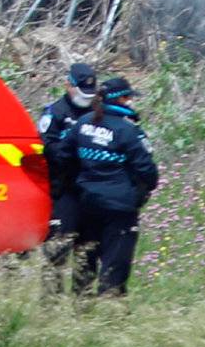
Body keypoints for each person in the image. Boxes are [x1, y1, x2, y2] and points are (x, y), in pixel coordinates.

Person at [48, 73, 159, 300]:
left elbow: (61, 155)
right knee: (115, 265)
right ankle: (110, 314)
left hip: (87, 204)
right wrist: (139, 195)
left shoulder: (83, 123)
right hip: (119, 210)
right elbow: (148, 172)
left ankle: (82, 309)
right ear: (121, 100)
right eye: (128, 98)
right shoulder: (129, 131)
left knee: (85, 261)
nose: (131, 102)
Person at [37, 61, 98, 265]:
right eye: (82, 91)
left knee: (88, 249)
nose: (86, 98)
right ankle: (53, 296)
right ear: (68, 85)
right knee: (58, 249)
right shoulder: (55, 113)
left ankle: (84, 295)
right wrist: (75, 151)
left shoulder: (99, 113)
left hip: (91, 189)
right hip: (64, 189)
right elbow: (48, 148)